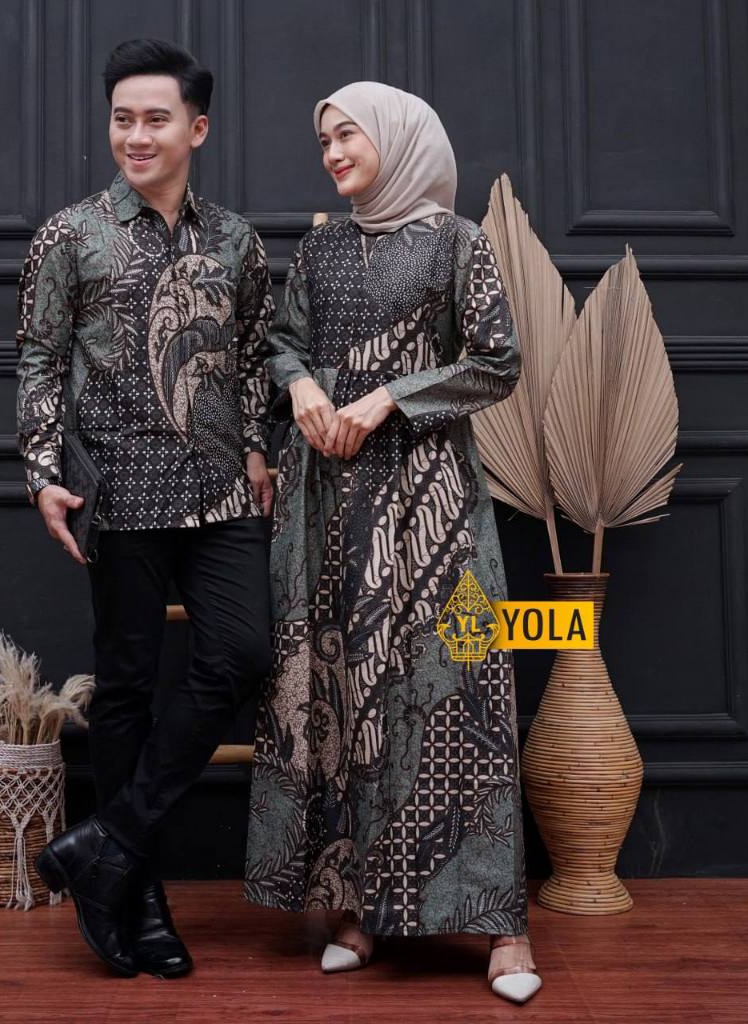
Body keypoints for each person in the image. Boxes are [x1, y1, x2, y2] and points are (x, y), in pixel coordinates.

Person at [244, 81, 542, 1004]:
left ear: (399, 140)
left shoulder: (459, 242)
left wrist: (389, 398)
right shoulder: (321, 247)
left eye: (349, 136)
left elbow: (498, 363)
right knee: (348, 691)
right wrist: (301, 386)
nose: (333, 153)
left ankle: (503, 925)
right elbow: (282, 343)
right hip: (329, 504)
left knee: (463, 684)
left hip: (434, 501)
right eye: (324, 140)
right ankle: (356, 907)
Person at [17, 38, 274, 979]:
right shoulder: (69, 235)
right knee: (126, 689)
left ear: (195, 129)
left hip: (222, 491)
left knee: (241, 653)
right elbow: (39, 360)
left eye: (155, 119)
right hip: (116, 493)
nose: (135, 135)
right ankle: (140, 896)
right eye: (122, 118)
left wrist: (257, 446)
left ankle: (107, 844)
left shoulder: (238, 241)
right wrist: (43, 471)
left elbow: (255, 358)